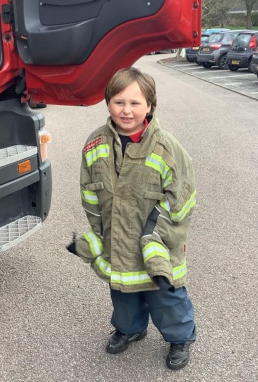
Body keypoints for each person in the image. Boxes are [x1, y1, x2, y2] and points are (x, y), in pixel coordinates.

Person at [66, 67, 197, 370]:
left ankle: (180, 337)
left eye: (135, 103)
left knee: (166, 296)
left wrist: (156, 234)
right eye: (119, 102)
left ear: (149, 106)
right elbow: (89, 191)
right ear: (108, 103)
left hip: (157, 241)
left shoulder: (167, 147)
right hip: (116, 237)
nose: (126, 110)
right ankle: (130, 328)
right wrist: (99, 231)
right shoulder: (94, 144)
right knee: (123, 291)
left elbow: (182, 196)